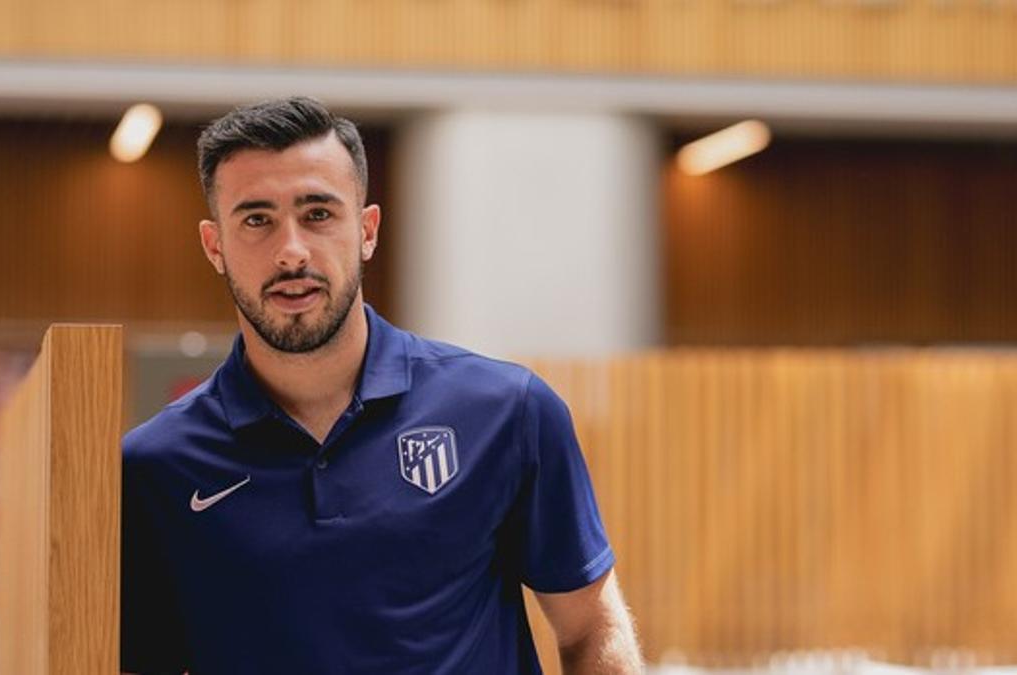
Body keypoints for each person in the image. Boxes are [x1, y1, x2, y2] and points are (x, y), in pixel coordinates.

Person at [120, 96, 643, 674]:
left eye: (318, 213)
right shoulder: (156, 466)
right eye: (256, 219)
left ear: (366, 231)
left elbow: (592, 627)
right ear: (214, 246)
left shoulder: (507, 412)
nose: (291, 251)